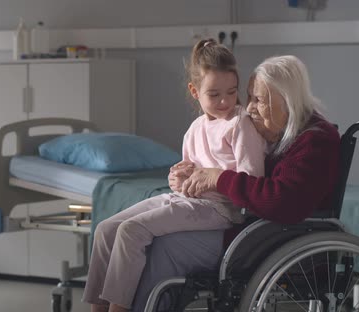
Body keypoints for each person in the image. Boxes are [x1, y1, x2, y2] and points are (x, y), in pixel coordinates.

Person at [129, 55, 341, 311]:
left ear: (287, 101)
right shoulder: (282, 135)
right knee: (156, 235)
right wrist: (195, 175)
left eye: (258, 100)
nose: (248, 108)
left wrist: (219, 178)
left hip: (268, 240)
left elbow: (280, 201)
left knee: (167, 246)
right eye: (249, 96)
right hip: (253, 232)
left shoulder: (314, 141)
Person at [82, 38, 267, 312]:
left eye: (231, 91)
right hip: (187, 201)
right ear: (195, 91)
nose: (225, 101)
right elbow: (187, 175)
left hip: (220, 209)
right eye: (214, 95)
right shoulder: (195, 129)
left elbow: (252, 179)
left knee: (130, 232)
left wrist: (211, 178)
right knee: (105, 230)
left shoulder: (239, 124)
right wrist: (178, 179)